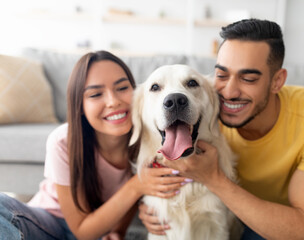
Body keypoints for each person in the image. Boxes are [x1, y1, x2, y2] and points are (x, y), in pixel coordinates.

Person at [139, 19, 304, 239]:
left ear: (277, 81)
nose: (229, 92)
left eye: (248, 78)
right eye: (222, 75)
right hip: (250, 210)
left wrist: (213, 178)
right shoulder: (206, 107)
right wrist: (147, 190)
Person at [0, 50, 190, 240]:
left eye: (122, 88)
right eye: (96, 94)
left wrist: (123, 228)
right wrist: (137, 185)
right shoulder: (62, 141)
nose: (113, 101)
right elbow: (82, 231)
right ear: (80, 106)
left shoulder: (152, 137)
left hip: (101, 229)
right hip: (49, 222)